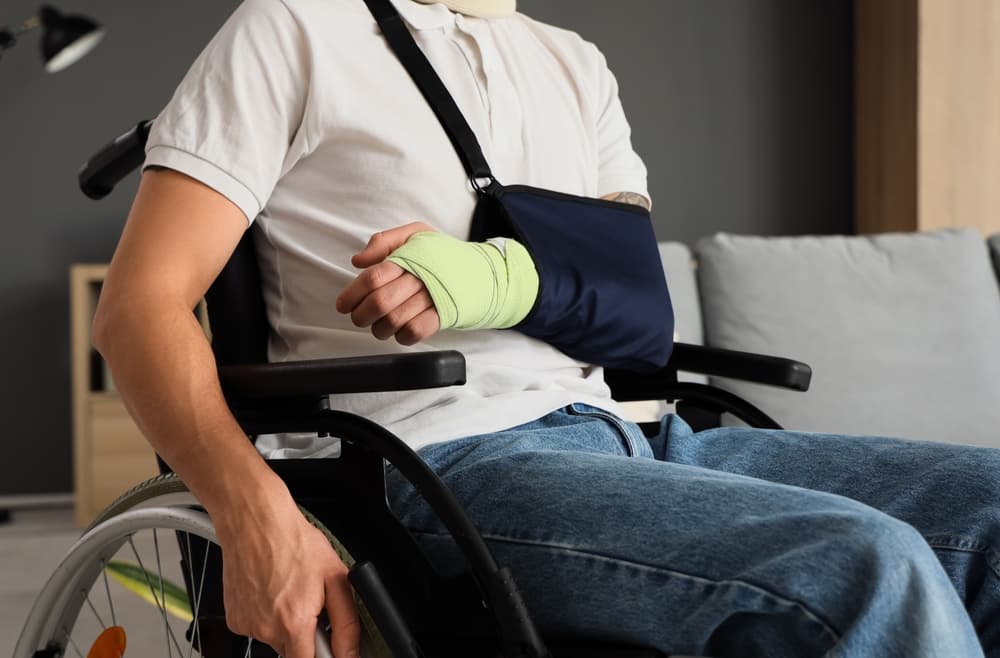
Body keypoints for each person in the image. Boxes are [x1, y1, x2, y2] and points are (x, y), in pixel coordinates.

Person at [92, 0, 1000, 656]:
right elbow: (138, 311)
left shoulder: (574, 61)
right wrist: (255, 514)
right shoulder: (295, 27)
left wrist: (495, 278)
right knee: (860, 566)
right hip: (444, 464)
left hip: (638, 440)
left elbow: (635, 309)